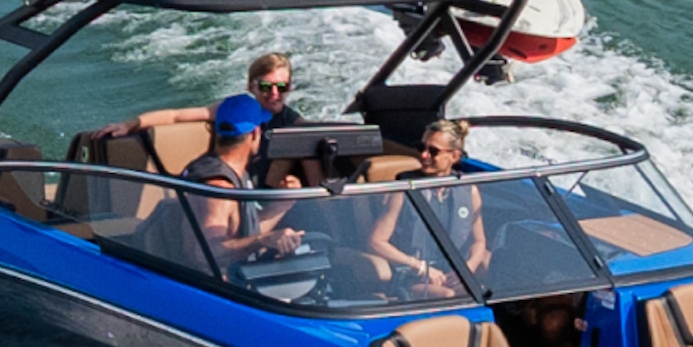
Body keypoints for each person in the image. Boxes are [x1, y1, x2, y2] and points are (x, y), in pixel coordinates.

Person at [94, 52, 320, 185]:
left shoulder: (295, 126)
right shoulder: (231, 111)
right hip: (227, 183)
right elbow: (176, 116)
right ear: (251, 86)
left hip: (264, 194)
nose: (274, 94)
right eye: (265, 86)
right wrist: (131, 124)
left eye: (282, 87)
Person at [367, 118, 490, 298]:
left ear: (454, 156)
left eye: (433, 151)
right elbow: (376, 242)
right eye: (421, 148)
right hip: (411, 276)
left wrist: (467, 268)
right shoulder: (403, 190)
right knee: (448, 296)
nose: (424, 155)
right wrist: (419, 267)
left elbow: (478, 241)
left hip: (452, 273)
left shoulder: (469, 191)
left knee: (482, 294)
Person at [180, 92, 305, 265]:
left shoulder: (235, 172)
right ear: (255, 133)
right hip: (217, 280)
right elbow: (205, 252)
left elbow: (245, 232)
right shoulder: (219, 187)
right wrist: (263, 240)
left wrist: (283, 204)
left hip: (242, 272)